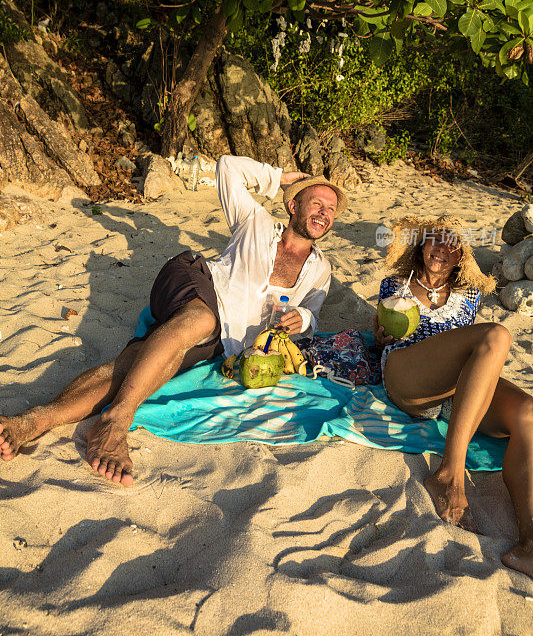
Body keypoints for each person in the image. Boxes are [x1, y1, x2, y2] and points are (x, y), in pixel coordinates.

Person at [0, 155, 347, 486]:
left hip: (224, 341)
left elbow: (312, 316)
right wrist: (282, 178)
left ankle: (30, 422)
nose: (324, 213)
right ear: (293, 205)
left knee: (133, 368)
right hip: (196, 281)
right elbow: (227, 167)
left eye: (331, 209)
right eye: (317, 203)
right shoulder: (254, 222)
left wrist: (301, 318)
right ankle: (117, 422)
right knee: (200, 321)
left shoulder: (320, 270)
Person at [373, 215, 533, 578]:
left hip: (452, 391)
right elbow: (385, 333)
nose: (441, 249)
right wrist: (381, 339)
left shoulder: (469, 295)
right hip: (408, 377)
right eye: (434, 240)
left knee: (527, 411)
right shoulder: (395, 284)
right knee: (497, 336)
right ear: (421, 245)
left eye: (452, 244)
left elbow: (466, 354)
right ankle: (449, 472)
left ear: (461, 257)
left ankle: (530, 541)